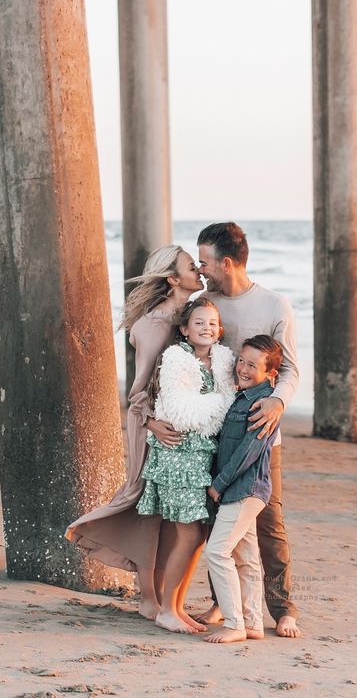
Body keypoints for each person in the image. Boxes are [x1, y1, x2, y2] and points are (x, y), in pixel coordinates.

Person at [65, 244, 204, 625]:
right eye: (192, 266)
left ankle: (165, 600)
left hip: (178, 426)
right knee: (148, 507)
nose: (200, 270)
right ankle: (148, 599)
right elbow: (138, 391)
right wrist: (151, 424)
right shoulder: (154, 325)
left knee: (175, 513)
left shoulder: (190, 314)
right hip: (149, 425)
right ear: (173, 279)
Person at [196, 222, 300, 638]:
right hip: (216, 430)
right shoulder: (205, 302)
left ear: (226, 262)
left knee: (268, 520)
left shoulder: (275, 305)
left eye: (205, 262)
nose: (201, 270)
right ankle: (225, 603)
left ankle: (283, 608)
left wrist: (277, 401)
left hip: (261, 429)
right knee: (219, 520)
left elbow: (290, 368)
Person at [136, 298, 235, 634]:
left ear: (219, 330)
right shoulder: (176, 358)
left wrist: (218, 406)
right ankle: (165, 609)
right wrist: (222, 403)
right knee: (190, 533)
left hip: (203, 457)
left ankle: (175, 607)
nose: (207, 328)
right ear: (184, 330)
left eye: (212, 323)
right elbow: (182, 413)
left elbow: (218, 409)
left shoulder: (222, 361)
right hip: (177, 457)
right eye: (199, 323)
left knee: (198, 534)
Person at [204, 335, 283, 644]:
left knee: (217, 551)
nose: (244, 369)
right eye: (242, 361)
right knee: (246, 558)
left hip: (244, 489)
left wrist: (218, 484)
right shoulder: (244, 396)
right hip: (242, 489)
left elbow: (249, 450)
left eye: (253, 365)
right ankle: (252, 622)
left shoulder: (262, 404)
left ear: (270, 374)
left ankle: (234, 622)